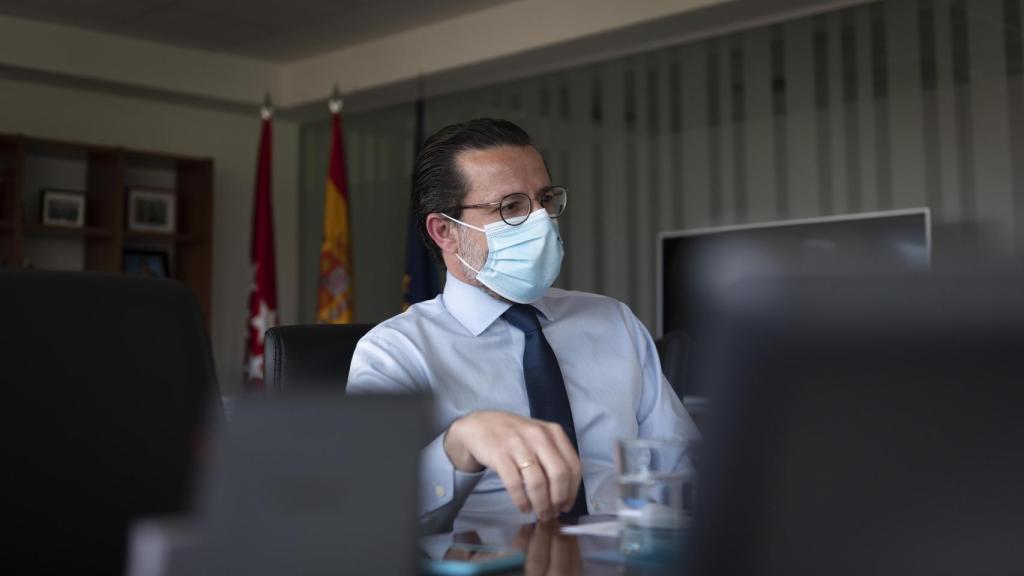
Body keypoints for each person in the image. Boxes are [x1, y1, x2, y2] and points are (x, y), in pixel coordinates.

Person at [347, 118, 697, 533]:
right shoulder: (395, 352)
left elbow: (684, 466)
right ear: (445, 231)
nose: (540, 221)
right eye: (511, 207)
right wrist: (459, 444)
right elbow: (369, 507)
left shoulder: (613, 322)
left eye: (545, 199)